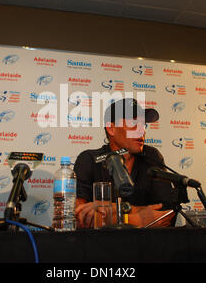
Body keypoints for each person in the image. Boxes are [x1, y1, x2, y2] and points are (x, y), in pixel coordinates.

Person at [74, 98, 177, 228]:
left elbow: (166, 214)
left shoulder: (151, 156)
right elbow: (80, 216)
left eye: (143, 124)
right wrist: (137, 219)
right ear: (111, 129)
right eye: (133, 123)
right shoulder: (89, 159)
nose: (142, 130)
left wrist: (112, 210)